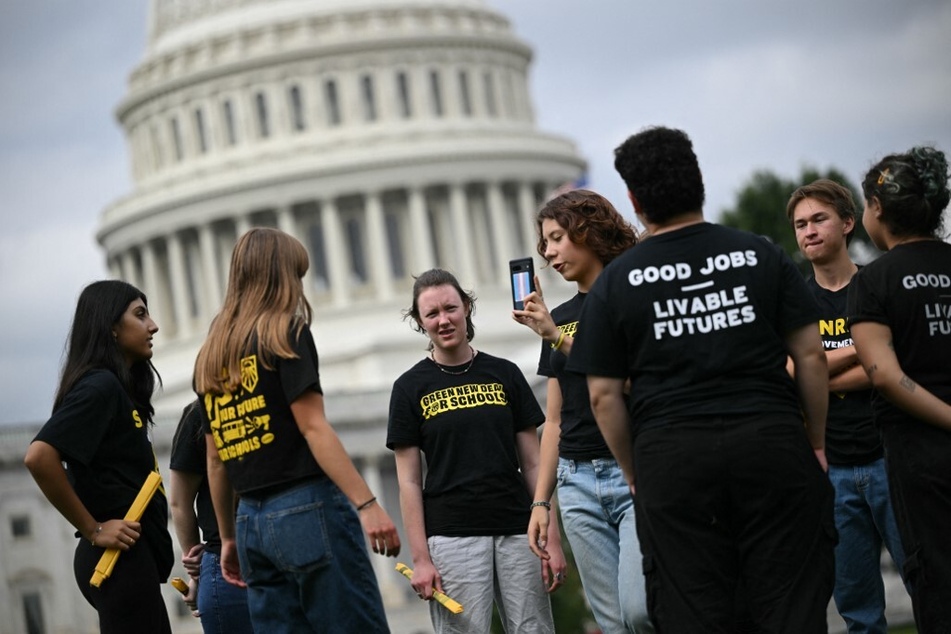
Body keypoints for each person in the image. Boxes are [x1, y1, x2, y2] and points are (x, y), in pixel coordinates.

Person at [567, 126, 835, 632]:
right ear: (699, 182)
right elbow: (812, 355)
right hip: (771, 444)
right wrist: (815, 441)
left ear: (634, 199)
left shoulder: (617, 282)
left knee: (695, 612)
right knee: (791, 607)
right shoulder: (760, 254)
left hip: (672, 460)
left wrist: (634, 471)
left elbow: (603, 396)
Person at [193, 227, 401, 633]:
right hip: (306, 506)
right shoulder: (285, 332)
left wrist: (228, 537)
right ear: (283, 276)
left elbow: (215, 460)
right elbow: (313, 427)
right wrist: (367, 504)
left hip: (249, 520)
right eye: (298, 274)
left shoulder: (211, 355)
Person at [387, 268, 560, 633]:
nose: (443, 320)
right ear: (420, 322)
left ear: (466, 307)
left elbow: (533, 464)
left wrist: (553, 540)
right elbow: (408, 482)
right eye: (431, 314)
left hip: (519, 530)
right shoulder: (408, 388)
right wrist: (420, 559)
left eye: (450, 308)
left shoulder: (506, 374)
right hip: (452, 536)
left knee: (535, 629)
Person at [512, 190, 653, 633]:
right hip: (576, 484)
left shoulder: (632, 298)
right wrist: (541, 501)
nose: (549, 253)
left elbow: (637, 380)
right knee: (612, 623)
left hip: (632, 470)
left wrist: (558, 339)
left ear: (587, 231)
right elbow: (553, 419)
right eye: (545, 243)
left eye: (556, 238)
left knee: (640, 610)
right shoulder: (561, 316)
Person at [786, 179, 907, 633]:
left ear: (848, 222)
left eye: (819, 219)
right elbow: (790, 372)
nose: (809, 232)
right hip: (830, 470)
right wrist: (867, 347)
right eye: (800, 225)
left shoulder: (877, 286)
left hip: (891, 459)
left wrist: (817, 364)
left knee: (931, 587)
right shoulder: (792, 300)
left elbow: (897, 363)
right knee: (857, 610)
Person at [24, 280, 174, 634]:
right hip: (119, 557)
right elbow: (38, 456)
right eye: (140, 315)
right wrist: (93, 528)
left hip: (129, 558)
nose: (152, 325)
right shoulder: (100, 386)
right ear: (111, 328)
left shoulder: (116, 389)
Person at [847, 146, 951, 632]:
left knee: (936, 578)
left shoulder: (876, 280)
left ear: (878, 209)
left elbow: (884, 374)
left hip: (920, 457)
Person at [169, 400, 253, 633]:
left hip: (255, 561)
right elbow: (179, 502)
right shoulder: (199, 412)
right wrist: (198, 572)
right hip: (225, 566)